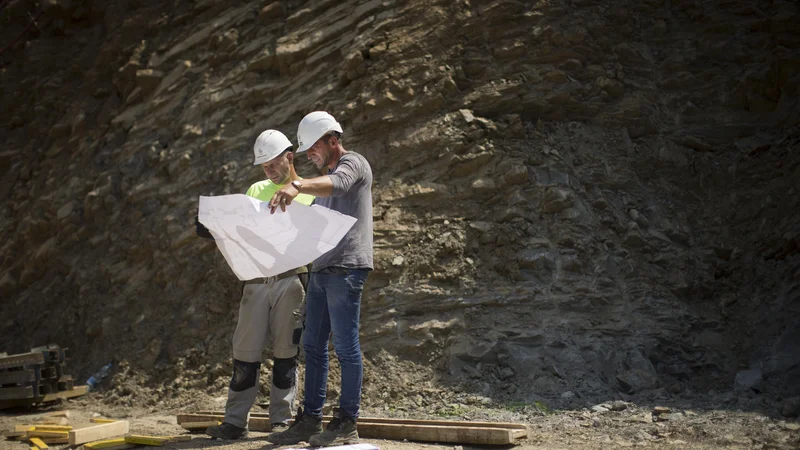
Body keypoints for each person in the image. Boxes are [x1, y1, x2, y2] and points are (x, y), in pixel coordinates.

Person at [195, 129, 315, 440]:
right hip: (256, 281)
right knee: (245, 354)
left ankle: (282, 421)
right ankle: (235, 422)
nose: (269, 171)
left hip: (291, 281)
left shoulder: (311, 193)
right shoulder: (255, 190)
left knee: (287, 353)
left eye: (274, 164)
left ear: (290, 158)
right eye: (264, 167)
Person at [266, 111, 373, 447]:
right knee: (312, 345)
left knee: (345, 346)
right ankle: (311, 419)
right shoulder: (324, 180)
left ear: (332, 140)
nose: (308, 155)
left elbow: (339, 183)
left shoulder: (353, 163)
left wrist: (296, 184)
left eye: (311, 147)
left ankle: (346, 422)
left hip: (346, 269)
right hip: (324, 269)